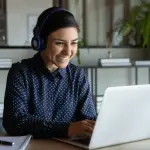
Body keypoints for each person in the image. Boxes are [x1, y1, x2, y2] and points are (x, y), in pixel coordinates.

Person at [3, 7, 96, 138]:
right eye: (59, 43)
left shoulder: (77, 75)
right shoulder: (21, 73)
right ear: (40, 42)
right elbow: (14, 122)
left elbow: (89, 120)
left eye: (74, 43)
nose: (68, 51)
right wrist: (66, 129)